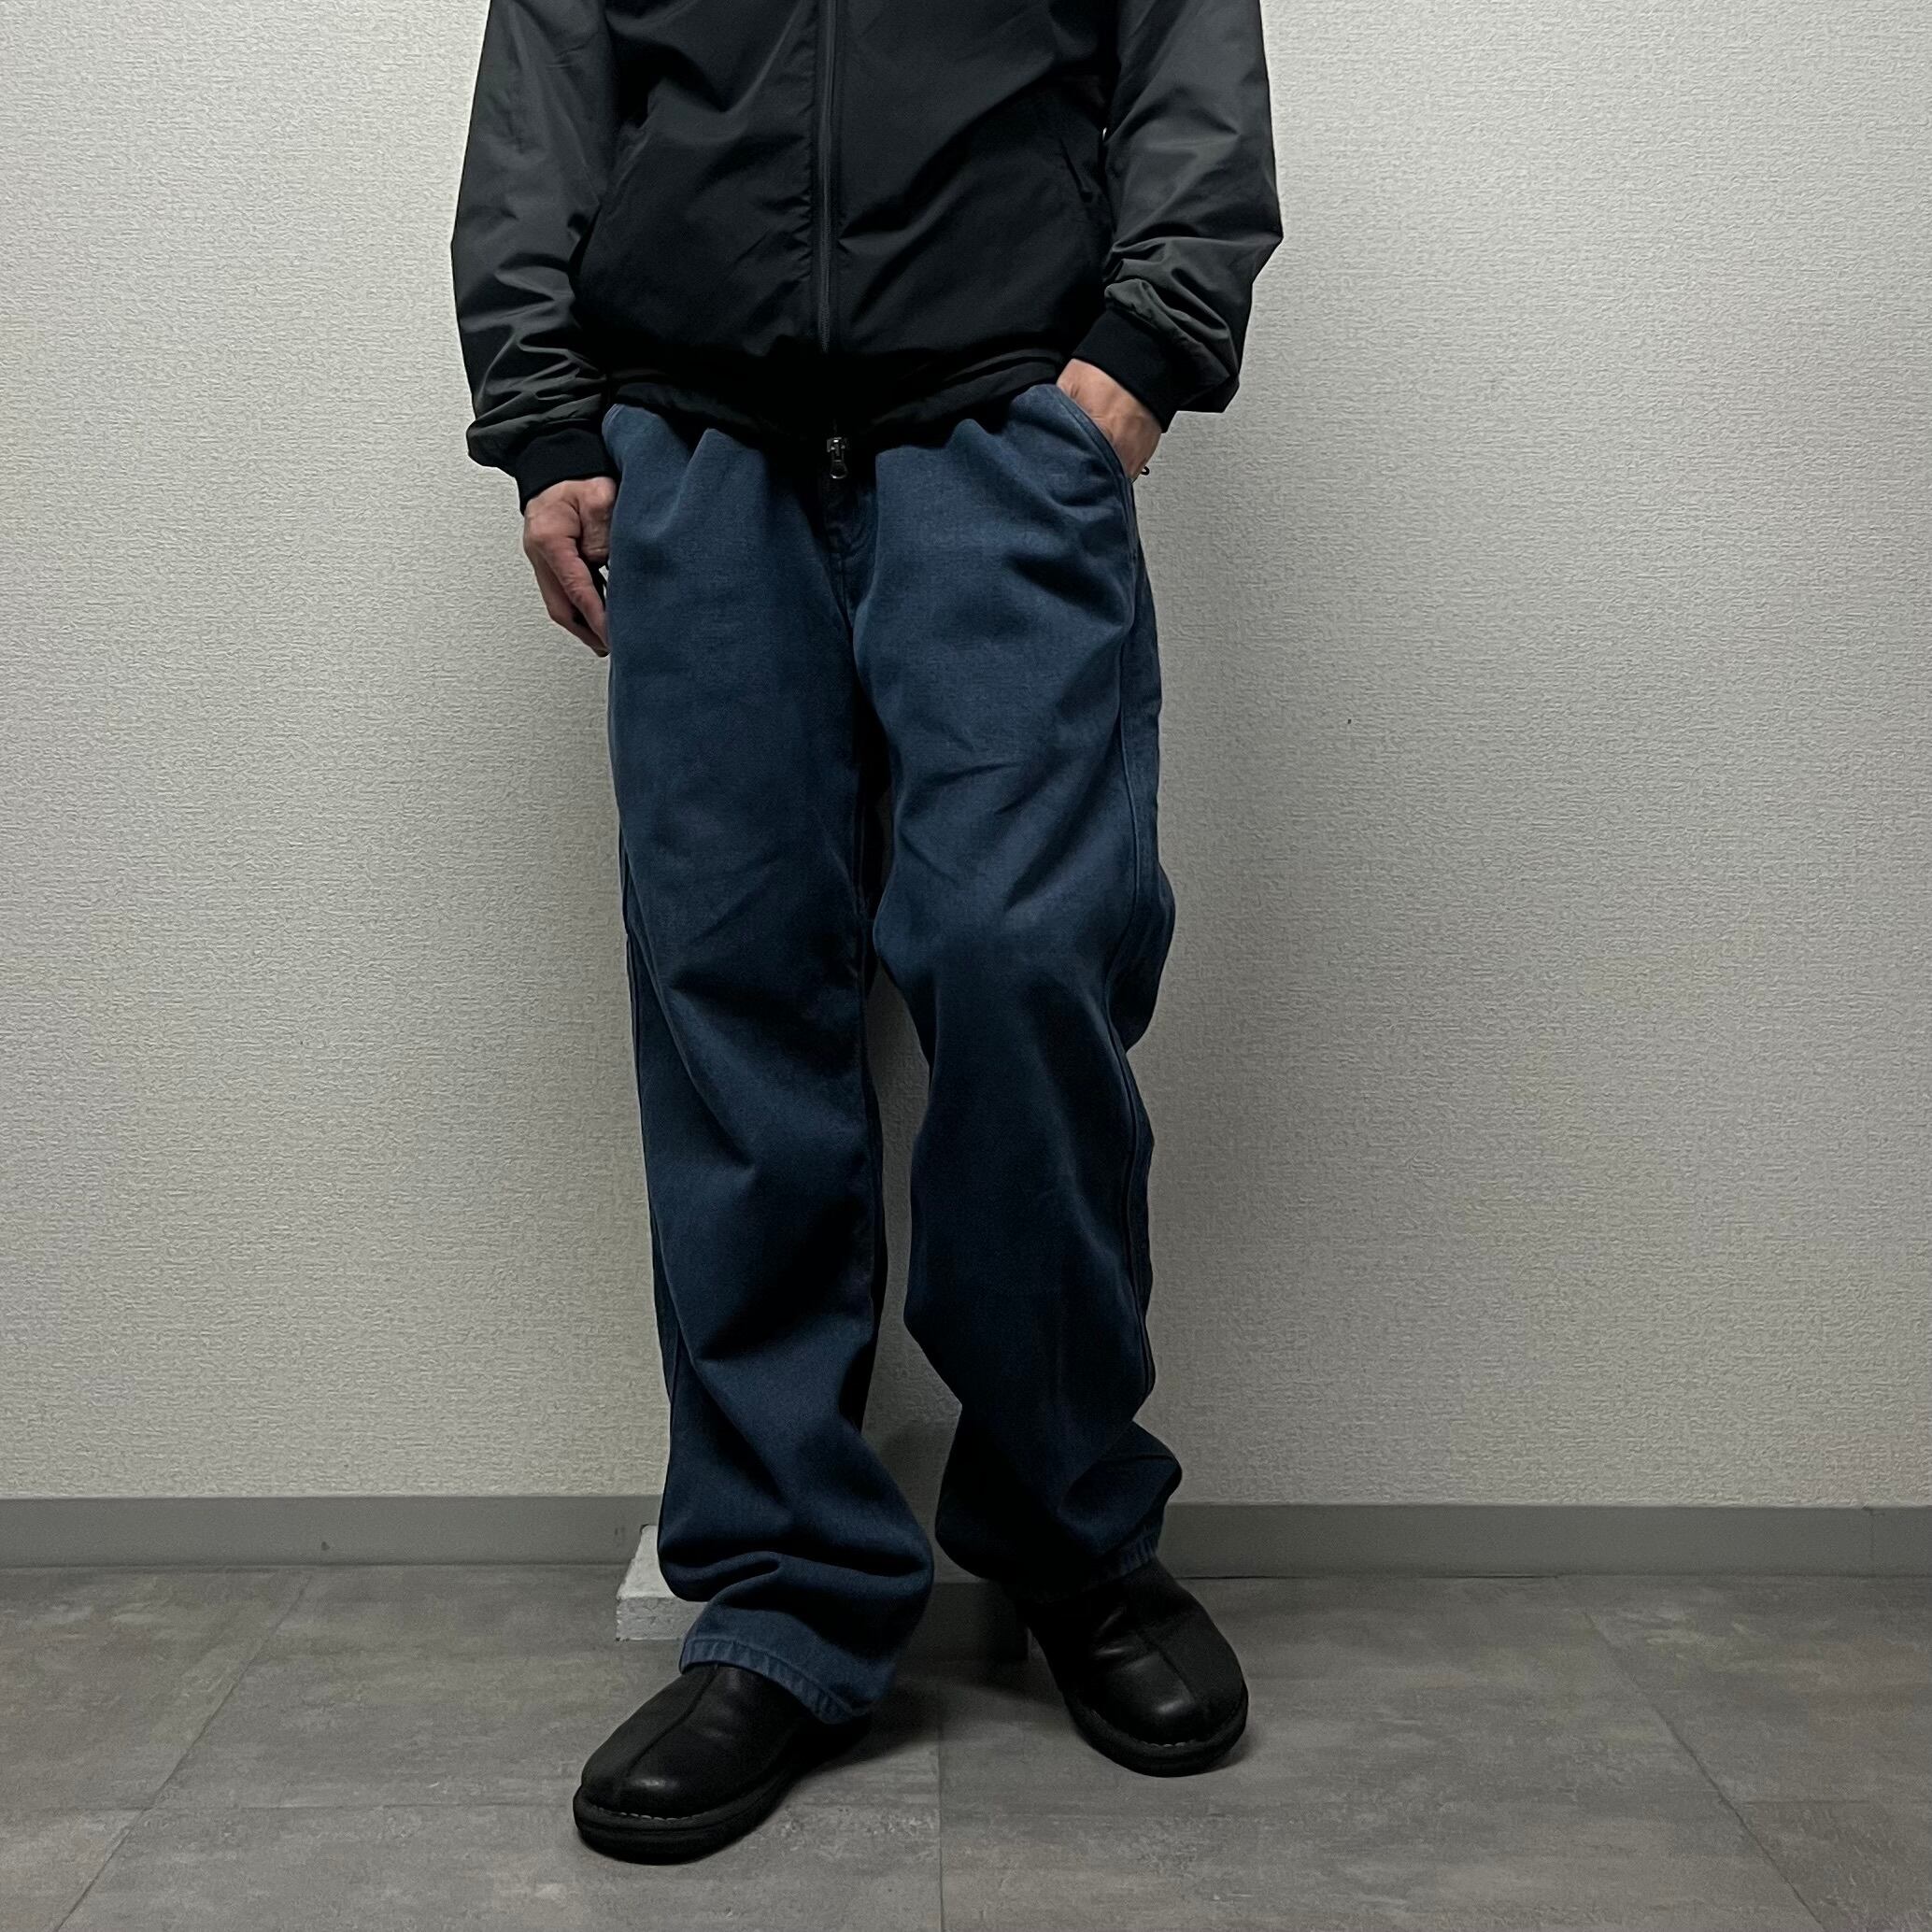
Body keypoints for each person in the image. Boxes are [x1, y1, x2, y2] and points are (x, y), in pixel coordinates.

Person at [451, 0, 1281, 1864]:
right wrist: (541, 411)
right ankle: (783, 1597)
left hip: (1000, 430)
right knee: (731, 1003)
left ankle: (1072, 1531)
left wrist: (1138, 357)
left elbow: (1190, 79)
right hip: (692, 452)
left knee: (1021, 956)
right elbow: (542, 105)